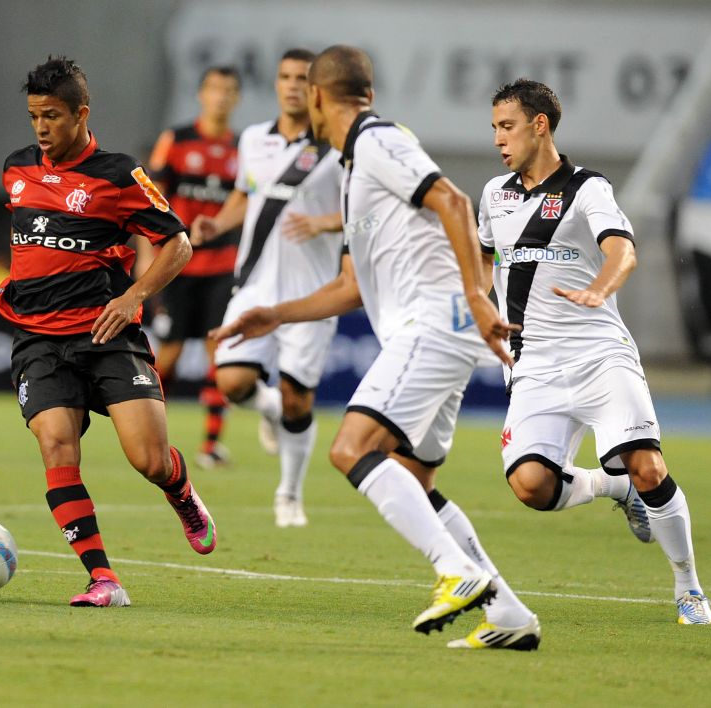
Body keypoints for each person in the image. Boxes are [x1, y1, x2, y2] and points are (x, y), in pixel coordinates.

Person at [211, 45, 540, 650]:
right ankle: (511, 614)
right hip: (438, 328)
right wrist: (272, 315)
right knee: (414, 477)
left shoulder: (376, 140)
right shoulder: (350, 168)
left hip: (435, 323)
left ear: (315, 95)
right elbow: (349, 287)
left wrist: (477, 294)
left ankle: (457, 572)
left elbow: (454, 200)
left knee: (350, 447)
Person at [478, 78, 711, 625]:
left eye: (507, 126)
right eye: (493, 128)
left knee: (649, 465)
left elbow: (623, 251)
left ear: (540, 125)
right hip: (533, 362)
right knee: (531, 486)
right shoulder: (495, 194)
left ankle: (688, 587)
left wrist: (598, 290)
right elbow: (478, 251)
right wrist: (476, 304)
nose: (498, 139)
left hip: (599, 354)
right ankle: (614, 487)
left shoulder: (587, 188)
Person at [0, 56, 217, 608]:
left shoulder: (119, 175)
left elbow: (178, 243)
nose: (42, 128)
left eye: (52, 115)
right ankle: (103, 579)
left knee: (148, 458)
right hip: (39, 338)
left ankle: (182, 492)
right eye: (33, 116)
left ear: (81, 113)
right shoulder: (17, 169)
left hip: (105, 334)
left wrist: (133, 295)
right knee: (55, 444)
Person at [192, 49, 344, 528]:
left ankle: (289, 494)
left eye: (303, 78)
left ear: (317, 87)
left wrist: (324, 223)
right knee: (231, 380)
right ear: (276, 84)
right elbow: (246, 193)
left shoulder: (339, 146)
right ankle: (269, 407)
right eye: (285, 77)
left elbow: (369, 210)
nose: (293, 85)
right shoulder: (255, 139)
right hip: (255, 281)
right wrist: (217, 226)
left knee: (300, 399)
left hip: (312, 291)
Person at [137, 65, 242, 470]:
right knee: (172, 356)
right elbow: (152, 200)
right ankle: (147, 435)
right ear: (201, 94)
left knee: (221, 352)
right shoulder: (176, 141)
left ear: (237, 98)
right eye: (215, 89)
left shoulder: (242, 148)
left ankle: (210, 446)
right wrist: (147, 256)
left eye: (229, 90)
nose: (222, 97)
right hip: (178, 263)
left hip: (223, 265)